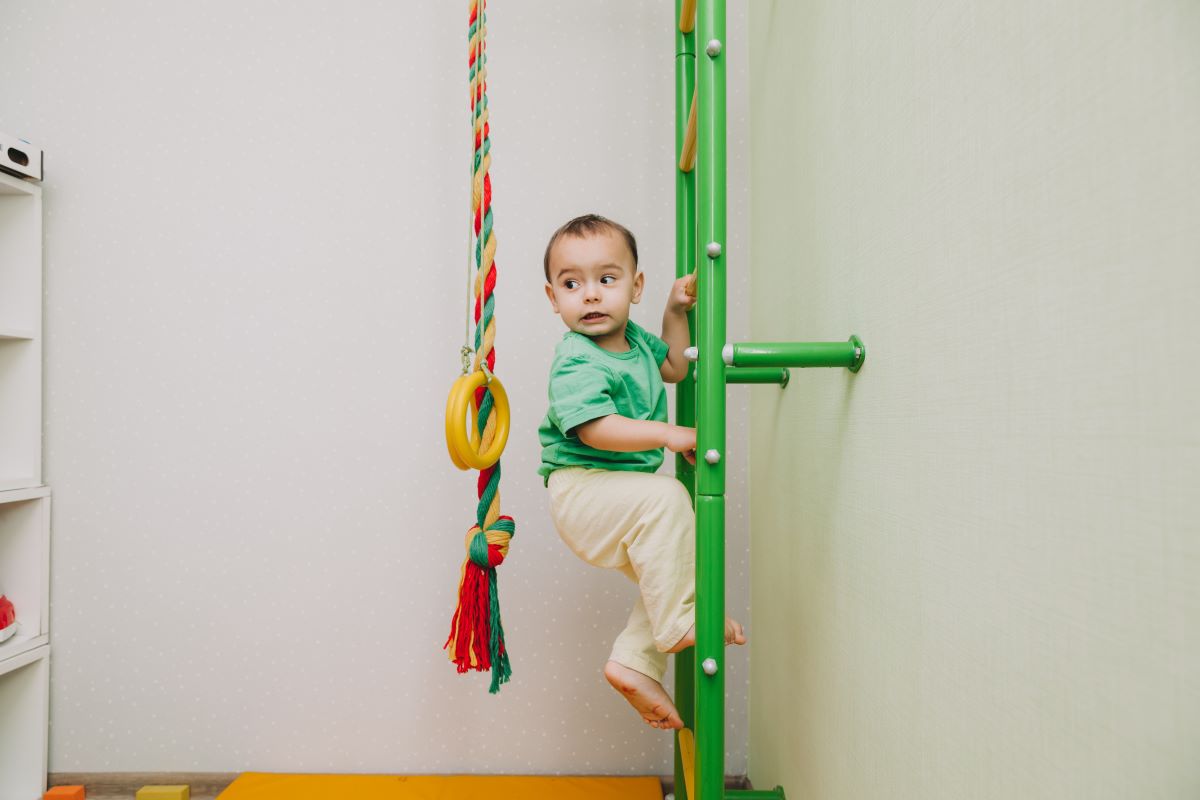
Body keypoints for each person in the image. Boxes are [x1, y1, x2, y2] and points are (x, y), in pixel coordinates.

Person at [538, 213, 746, 730]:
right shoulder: (576, 359)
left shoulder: (634, 341)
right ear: (552, 298)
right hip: (583, 492)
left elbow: (675, 366)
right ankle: (677, 624)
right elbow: (595, 430)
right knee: (669, 497)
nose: (589, 295)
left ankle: (633, 661)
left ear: (635, 287)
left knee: (678, 567)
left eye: (606, 280)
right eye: (572, 284)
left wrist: (676, 310)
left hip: (616, 498)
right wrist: (667, 434)